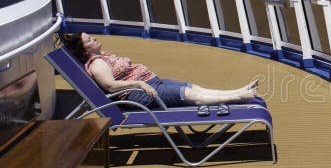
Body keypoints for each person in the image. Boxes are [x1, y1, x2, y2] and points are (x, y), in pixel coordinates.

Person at [58, 33, 259, 110]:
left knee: (193, 87)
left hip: (152, 84)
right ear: (85, 50)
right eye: (89, 40)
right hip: (141, 95)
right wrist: (139, 83)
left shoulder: (103, 56)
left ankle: (237, 92)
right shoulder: (96, 64)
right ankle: (240, 97)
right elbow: (109, 86)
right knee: (192, 96)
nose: (93, 38)